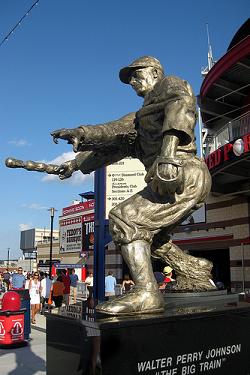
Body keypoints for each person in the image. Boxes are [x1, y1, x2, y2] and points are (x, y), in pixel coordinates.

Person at [8, 56, 213, 315]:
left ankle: (148, 293)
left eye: (137, 75)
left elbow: (182, 105)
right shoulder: (139, 119)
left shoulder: (170, 85)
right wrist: (76, 153)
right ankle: (195, 270)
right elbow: (113, 135)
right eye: (130, 80)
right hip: (174, 175)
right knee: (153, 238)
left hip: (181, 171)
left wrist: (168, 156)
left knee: (125, 219)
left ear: (155, 73)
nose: (134, 82)